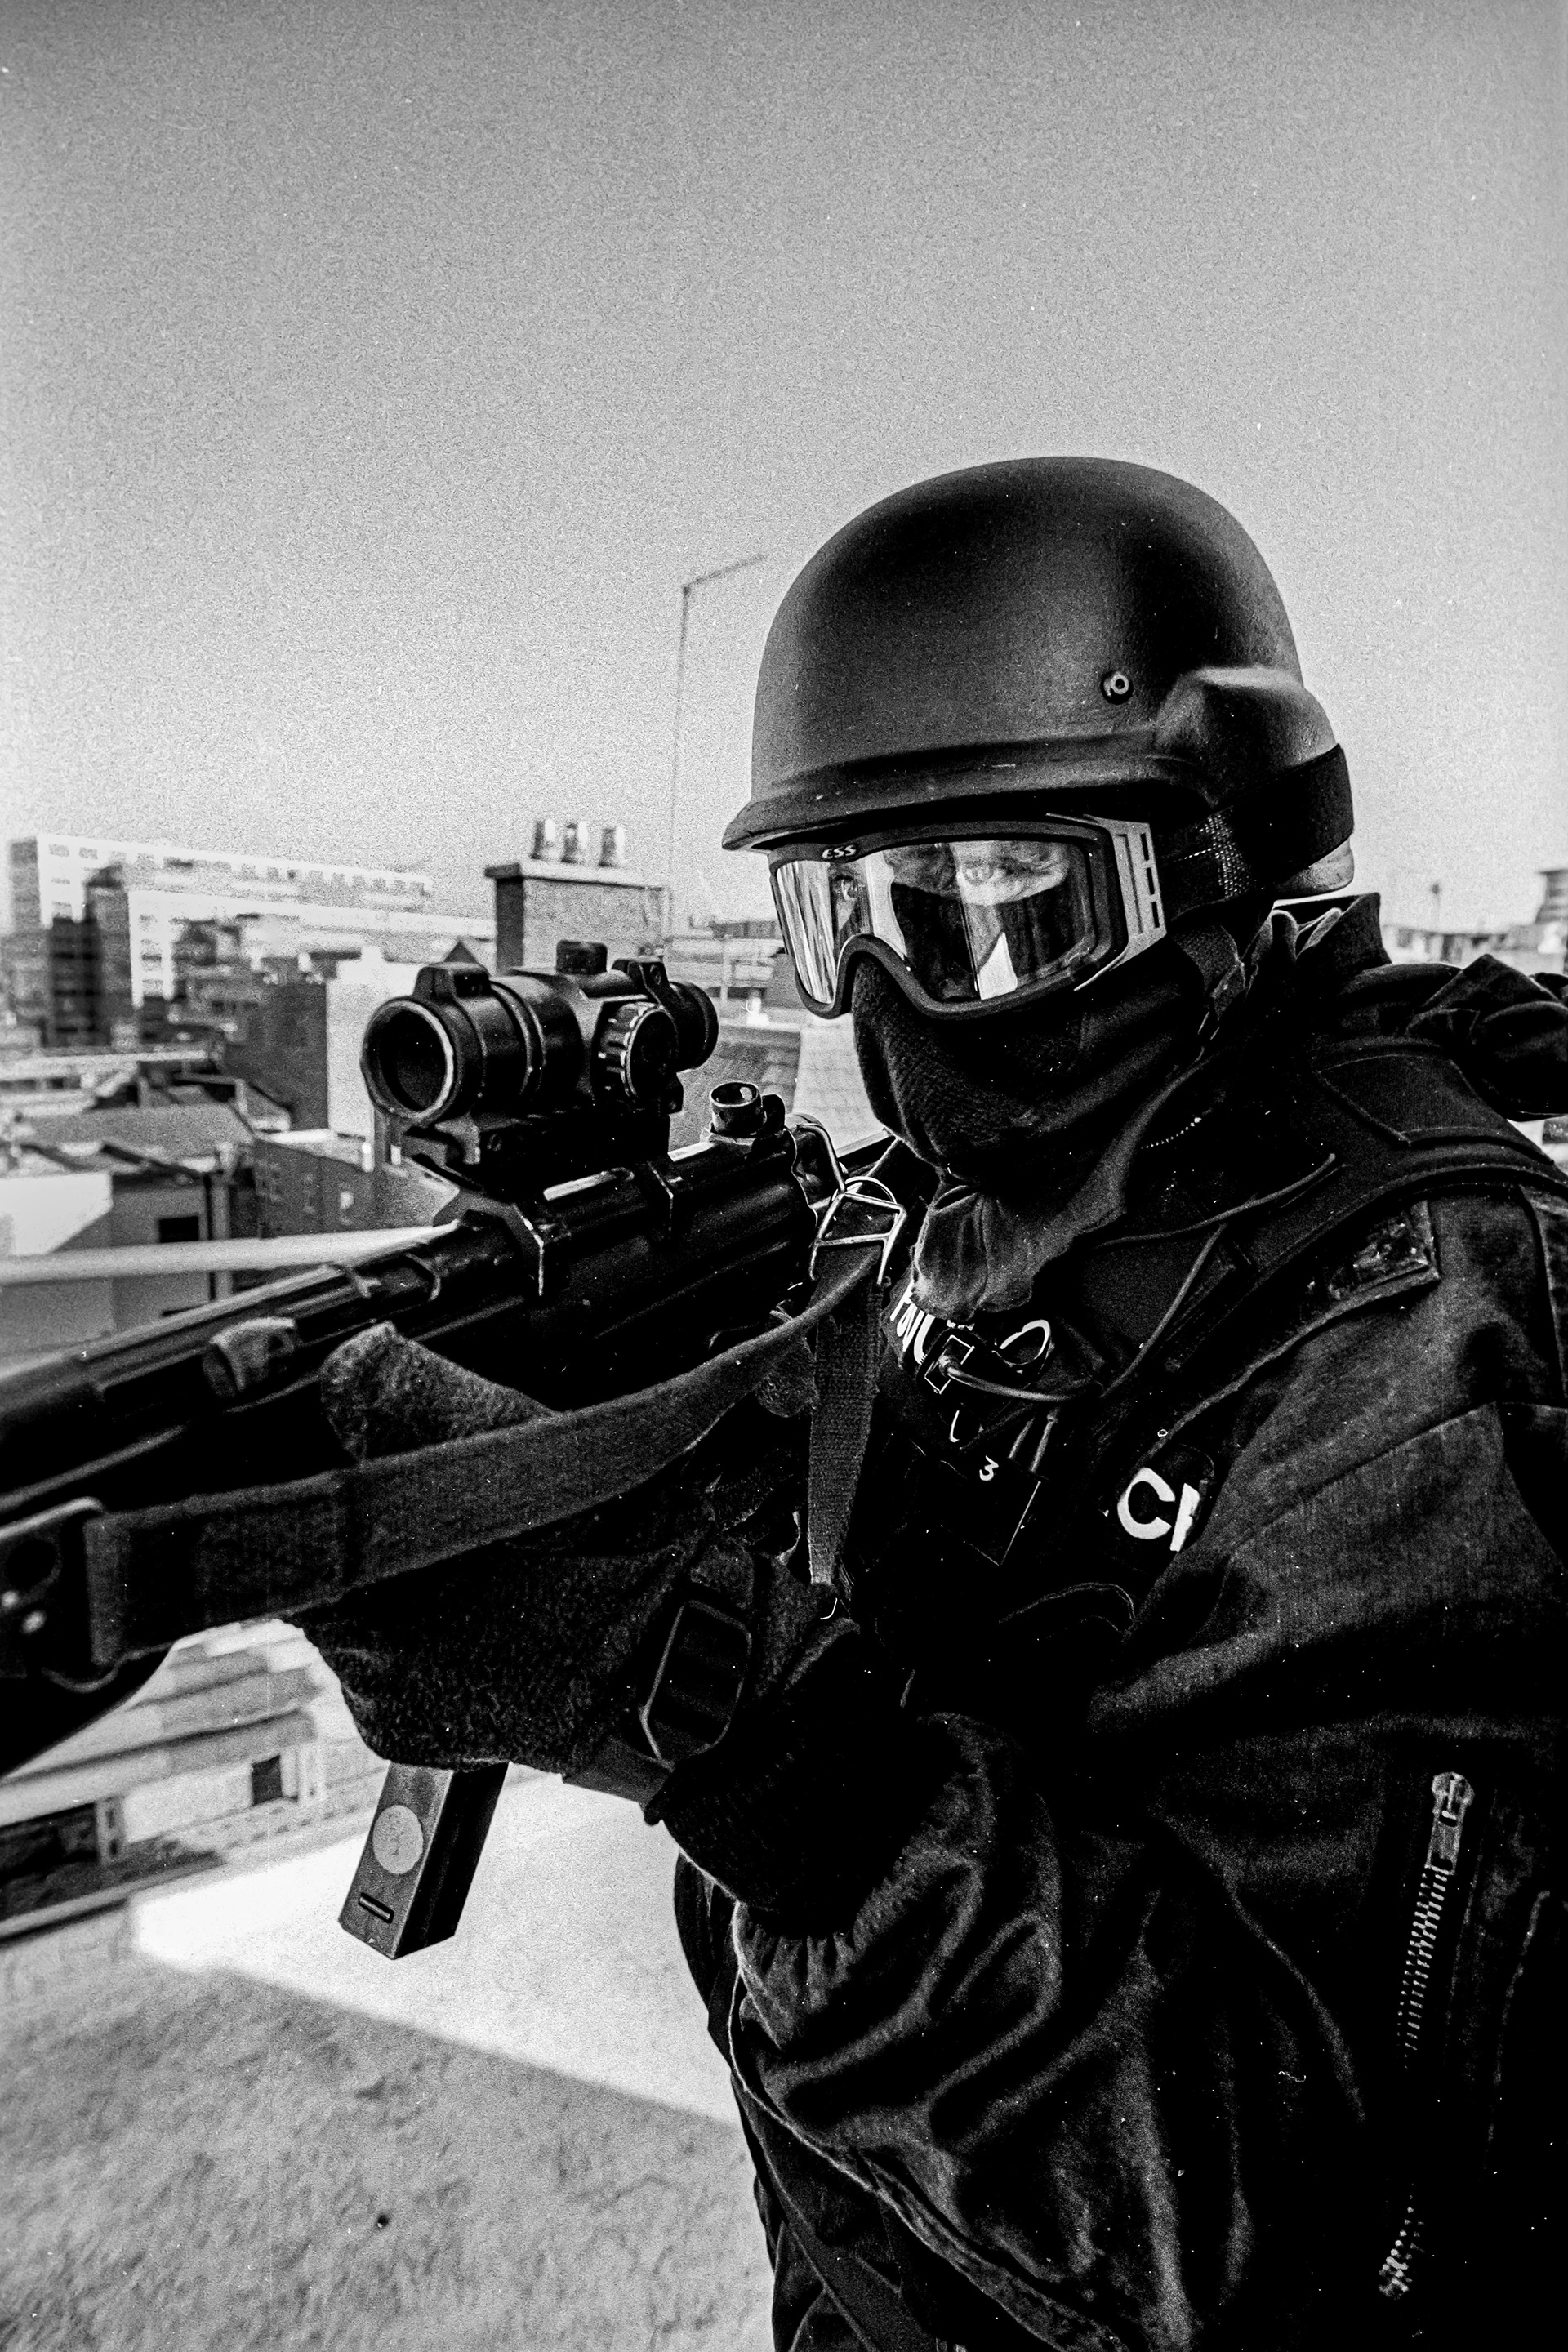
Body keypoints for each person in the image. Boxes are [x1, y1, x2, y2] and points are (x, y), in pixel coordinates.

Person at [301, 459, 1568, 2350]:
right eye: (840, 916)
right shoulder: (930, 1226)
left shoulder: (1416, 1342)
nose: (902, 997)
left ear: (1217, 863)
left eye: (990, 907)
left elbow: (1304, 2249)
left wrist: (755, 1744)